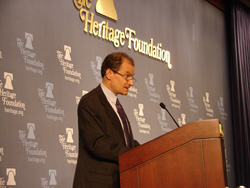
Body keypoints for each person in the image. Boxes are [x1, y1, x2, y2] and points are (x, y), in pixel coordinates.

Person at [73, 52, 140, 188]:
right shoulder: (90, 102)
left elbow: (124, 141)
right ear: (109, 73)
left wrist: (147, 151)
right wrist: (132, 154)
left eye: (132, 78)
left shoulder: (117, 106)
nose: (131, 83)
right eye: (127, 76)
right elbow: (97, 142)